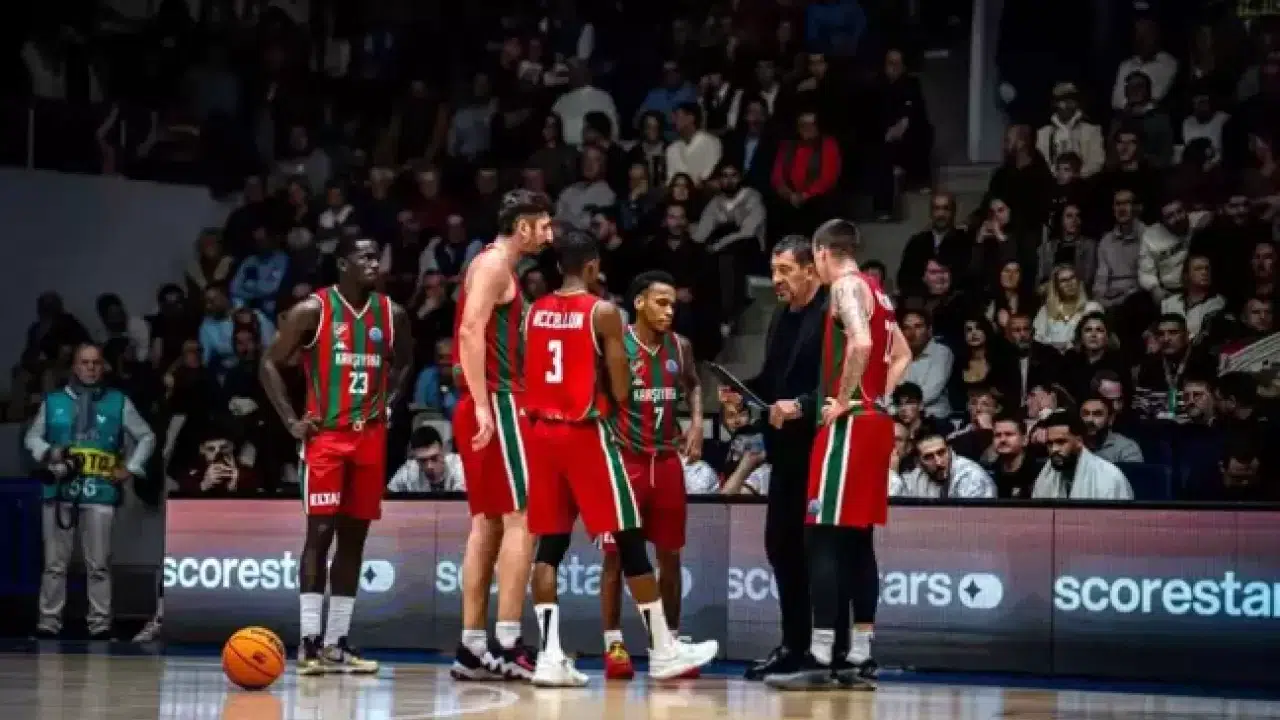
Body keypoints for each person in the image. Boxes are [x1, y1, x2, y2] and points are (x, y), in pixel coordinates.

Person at [522, 230, 718, 686]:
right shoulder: (603, 312)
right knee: (630, 542)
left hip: (542, 434)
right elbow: (623, 389)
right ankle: (663, 650)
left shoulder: (534, 312)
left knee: (549, 548)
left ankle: (549, 657)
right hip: (585, 433)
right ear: (592, 267)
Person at [767, 219, 911, 690]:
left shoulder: (846, 286)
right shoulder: (878, 292)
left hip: (849, 426)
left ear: (822, 252)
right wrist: (877, 397)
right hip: (876, 424)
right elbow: (902, 354)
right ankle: (858, 656)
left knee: (822, 538)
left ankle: (821, 655)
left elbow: (862, 343)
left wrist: (846, 398)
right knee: (857, 542)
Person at [260, 236, 412, 674]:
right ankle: (309, 641)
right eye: (365, 257)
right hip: (327, 438)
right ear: (344, 264)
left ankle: (337, 643)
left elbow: (404, 362)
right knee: (320, 534)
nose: (374, 263)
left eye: (377, 256)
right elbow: (269, 363)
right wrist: (292, 421)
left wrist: (389, 402)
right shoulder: (314, 310)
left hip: (371, 438)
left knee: (354, 539)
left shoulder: (392, 314)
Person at [448, 190, 554, 680]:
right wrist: (484, 405)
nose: (549, 234)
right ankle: (509, 644)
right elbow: (470, 332)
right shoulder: (493, 266)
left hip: (486, 402)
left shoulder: (492, 266)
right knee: (523, 517)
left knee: (488, 522)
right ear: (522, 226)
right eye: (543, 225)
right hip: (498, 401)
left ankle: (472, 647)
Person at [721, 236, 829, 680]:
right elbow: (771, 379)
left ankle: (829, 650)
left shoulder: (830, 313)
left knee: (819, 553)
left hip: (821, 451)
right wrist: (742, 395)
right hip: (785, 452)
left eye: (785, 270)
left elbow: (838, 384)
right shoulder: (781, 314)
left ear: (811, 270)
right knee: (781, 546)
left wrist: (801, 405)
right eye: (773, 270)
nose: (776, 280)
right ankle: (793, 645)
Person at [598, 270, 704, 680]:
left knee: (670, 556)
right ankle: (614, 645)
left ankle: (669, 643)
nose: (669, 311)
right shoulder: (617, 345)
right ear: (639, 303)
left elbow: (694, 384)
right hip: (626, 461)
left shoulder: (681, 346)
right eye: (661, 302)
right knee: (615, 558)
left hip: (667, 462)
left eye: (673, 304)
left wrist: (697, 423)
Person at [25, 343, 156, 639]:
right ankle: (48, 623)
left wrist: (131, 468)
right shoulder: (54, 401)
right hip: (59, 489)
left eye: (96, 363)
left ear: (103, 367)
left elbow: (147, 436)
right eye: (84, 362)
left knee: (99, 564)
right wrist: (51, 452)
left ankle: (100, 624)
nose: (90, 368)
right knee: (54, 564)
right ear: (74, 366)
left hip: (100, 491)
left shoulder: (118, 401)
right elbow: (32, 438)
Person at [1031, 411, 1134, 500]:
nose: (1054, 449)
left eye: (1061, 442)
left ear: (1079, 441)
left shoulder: (1110, 477)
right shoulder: (1045, 477)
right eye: (1049, 443)